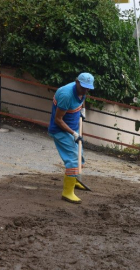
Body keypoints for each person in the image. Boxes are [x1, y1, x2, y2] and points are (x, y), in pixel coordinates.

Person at [48, 73, 94, 204]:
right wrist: (74, 134)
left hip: (74, 128)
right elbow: (58, 120)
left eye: (88, 88)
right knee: (73, 159)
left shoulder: (83, 90)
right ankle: (67, 193)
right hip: (61, 130)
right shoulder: (66, 95)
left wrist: (83, 110)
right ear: (76, 82)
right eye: (83, 87)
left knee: (80, 156)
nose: (85, 90)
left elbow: (82, 97)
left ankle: (75, 180)